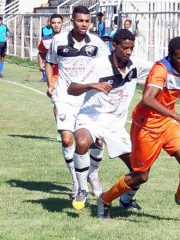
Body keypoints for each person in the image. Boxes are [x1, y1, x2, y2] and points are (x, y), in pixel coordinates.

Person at [97, 36, 180, 219]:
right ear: (170, 56)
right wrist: (176, 115)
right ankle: (105, 200)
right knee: (141, 176)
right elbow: (147, 98)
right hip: (147, 127)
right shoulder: (160, 71)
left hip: (168, 125)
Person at [67, 29, 152, 210]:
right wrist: (92, 84)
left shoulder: (135, 65)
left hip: (115, 125)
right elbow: (71, 88)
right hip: (90, 117)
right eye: (124, 48)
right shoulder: (97, 65)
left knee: (141, 172)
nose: (128, 52)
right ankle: (82, 189)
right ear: (114, 46)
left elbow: (161, 68)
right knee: (81, 142)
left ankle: (126, 200)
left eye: (131, 48)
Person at [46, 5, 110, 199]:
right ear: (72, 21)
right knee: (67, 139)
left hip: (89, 99)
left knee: (98, 141)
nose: (84, 24)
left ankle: (93, 175)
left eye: (87, 21)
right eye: (80, 21)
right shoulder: (58, 40)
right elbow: (50, 62)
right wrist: (50, 84)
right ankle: (76, 179)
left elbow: (108, 67)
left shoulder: (97, 43)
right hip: (65, 97)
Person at [38, 13, 63, 142]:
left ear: (62, 24)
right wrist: (40, 62)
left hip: (68, 75)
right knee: (57, 104)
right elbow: (41, 52)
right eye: (54, 23)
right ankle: (60, 129)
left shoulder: (67, 38)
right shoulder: (46, 39)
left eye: (58, 22)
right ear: (50, 23)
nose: (56, 25)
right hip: (53, 75)